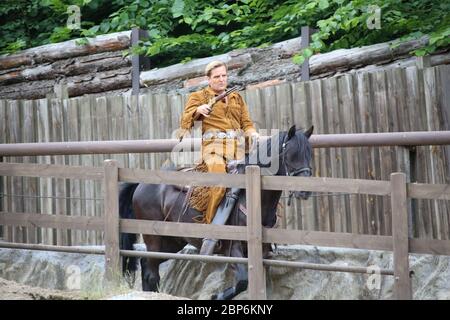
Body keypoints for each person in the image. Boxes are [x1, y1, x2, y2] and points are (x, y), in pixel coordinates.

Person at [179, 60, 259, 225]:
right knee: (221, 183)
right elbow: (185, 118)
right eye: (217, 77)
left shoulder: (236, 97)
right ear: (209, 79)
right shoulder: (199, 96)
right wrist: (197, 110)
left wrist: (252, 133)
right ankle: (211, 227)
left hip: (238, 149)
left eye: (224, 75)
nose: (221, 79)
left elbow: (246, 123)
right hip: (213, 150)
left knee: (255, 181)